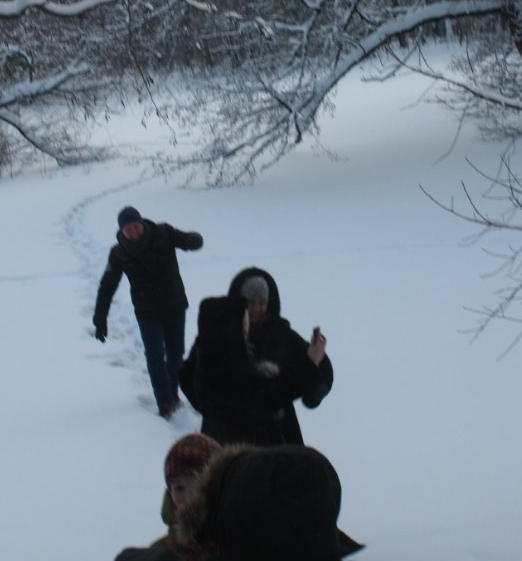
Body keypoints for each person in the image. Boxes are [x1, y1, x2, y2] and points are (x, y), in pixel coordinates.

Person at [179, 267, 332, 444]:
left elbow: (321, 368)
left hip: (276, 434)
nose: (256, 308)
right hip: (226, 439)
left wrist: (315, 391)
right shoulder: (217, 338)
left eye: (262, 302)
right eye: (250, 302)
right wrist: (214, 406)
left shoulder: (282, 334)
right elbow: (188, 374)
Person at [93, 206, 204, 417]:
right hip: (147, 311)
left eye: (136, 227)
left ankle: (172, 391)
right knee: (154, 356)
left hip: (174, 305)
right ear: (122, 231)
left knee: (175, 354)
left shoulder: (164, 233)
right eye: (128, 230)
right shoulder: (118, 253)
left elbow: (185, 239)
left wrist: (193, 240)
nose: (133, 232)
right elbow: (107, 287)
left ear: (141, 223)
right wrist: (100, 318)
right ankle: (164, 402)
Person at [170, 444, 364, 561]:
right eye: (177, 487)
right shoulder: (174, 546)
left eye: (195, 481)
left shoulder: (232, 518)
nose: (186, 494)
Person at [114, 433, 222, 561]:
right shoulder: (159, 550)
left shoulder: (244, 543)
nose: (189, 496)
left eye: (198, 485)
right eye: (179, 488)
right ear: (169, 494)